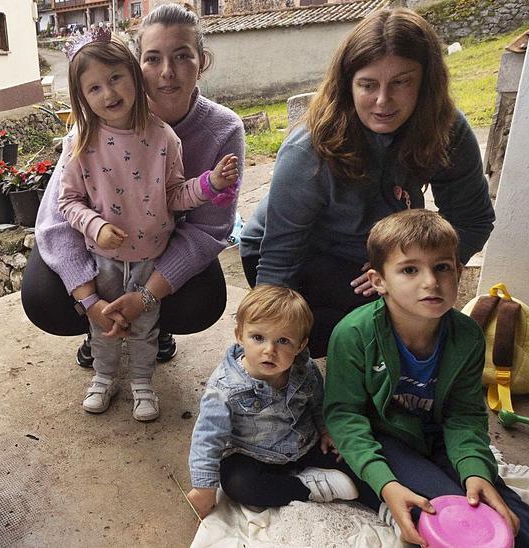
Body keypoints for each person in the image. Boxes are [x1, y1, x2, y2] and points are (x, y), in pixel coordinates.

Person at [238, 7, 495, 358]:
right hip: (304, 252)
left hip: (381, 253)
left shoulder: (445, 128)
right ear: (348, 84)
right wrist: (269, 339)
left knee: (416, 304)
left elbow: (474, 219)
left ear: (426, 83)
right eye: (368, 85)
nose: (382, 101)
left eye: (401, 82)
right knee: (357, 334)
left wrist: (414, 266)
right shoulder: (309, 148)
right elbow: (279, 257)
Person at [24, 2, 243, 372]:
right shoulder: (96, 124)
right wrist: (90, 299)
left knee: (202, 301)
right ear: (136, 66)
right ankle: (100, 329)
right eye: (153, 58)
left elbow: (210, 229)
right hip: (99, 247)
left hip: (158, 248)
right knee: (43, 298)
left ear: (202, 61)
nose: (167, 73)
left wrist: (146, 297)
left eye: (182, 56)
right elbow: (57, 217)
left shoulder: (223, 130)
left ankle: (155, 325)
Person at [323, 209, 529, 547]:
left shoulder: (468, 336)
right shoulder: (353, 334)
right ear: (378, 281)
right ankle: (372, 492)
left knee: (520, 524)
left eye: (442, 267)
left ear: (459, 272)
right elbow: (344, 416)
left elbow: (465, 414)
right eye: (410, 270)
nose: (431, 281)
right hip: (388, 441)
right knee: (447, 514)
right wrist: (385, 484)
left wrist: (475, 470)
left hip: (442, 440)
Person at [57, 28, 239, 421]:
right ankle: (103, 378)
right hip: (102, 258)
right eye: (94, 88)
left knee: (144, 326)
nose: (109, 94)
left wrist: (210, 185)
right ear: (82, 98)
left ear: (134, 76)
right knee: (102, 325)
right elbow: (67, 202)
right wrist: (94, 226)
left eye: (116, 78)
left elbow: (174, 195)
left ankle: (143, 382)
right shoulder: (82, 143)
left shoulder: (164, 139)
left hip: (150, 260)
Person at [186, 285, 378, 519]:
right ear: (239, 335)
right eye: (258, 337)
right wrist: (204, 487)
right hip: (254, 456)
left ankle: (387, 507)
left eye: (283, 341)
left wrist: (327, 430)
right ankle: (306, 488)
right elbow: (207, 438)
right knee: (237, 484)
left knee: (349, 457)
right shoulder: (226, 387)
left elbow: (318, 403)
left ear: (300, 345)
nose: (269, 350)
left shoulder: (304, 370)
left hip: (305, 444)